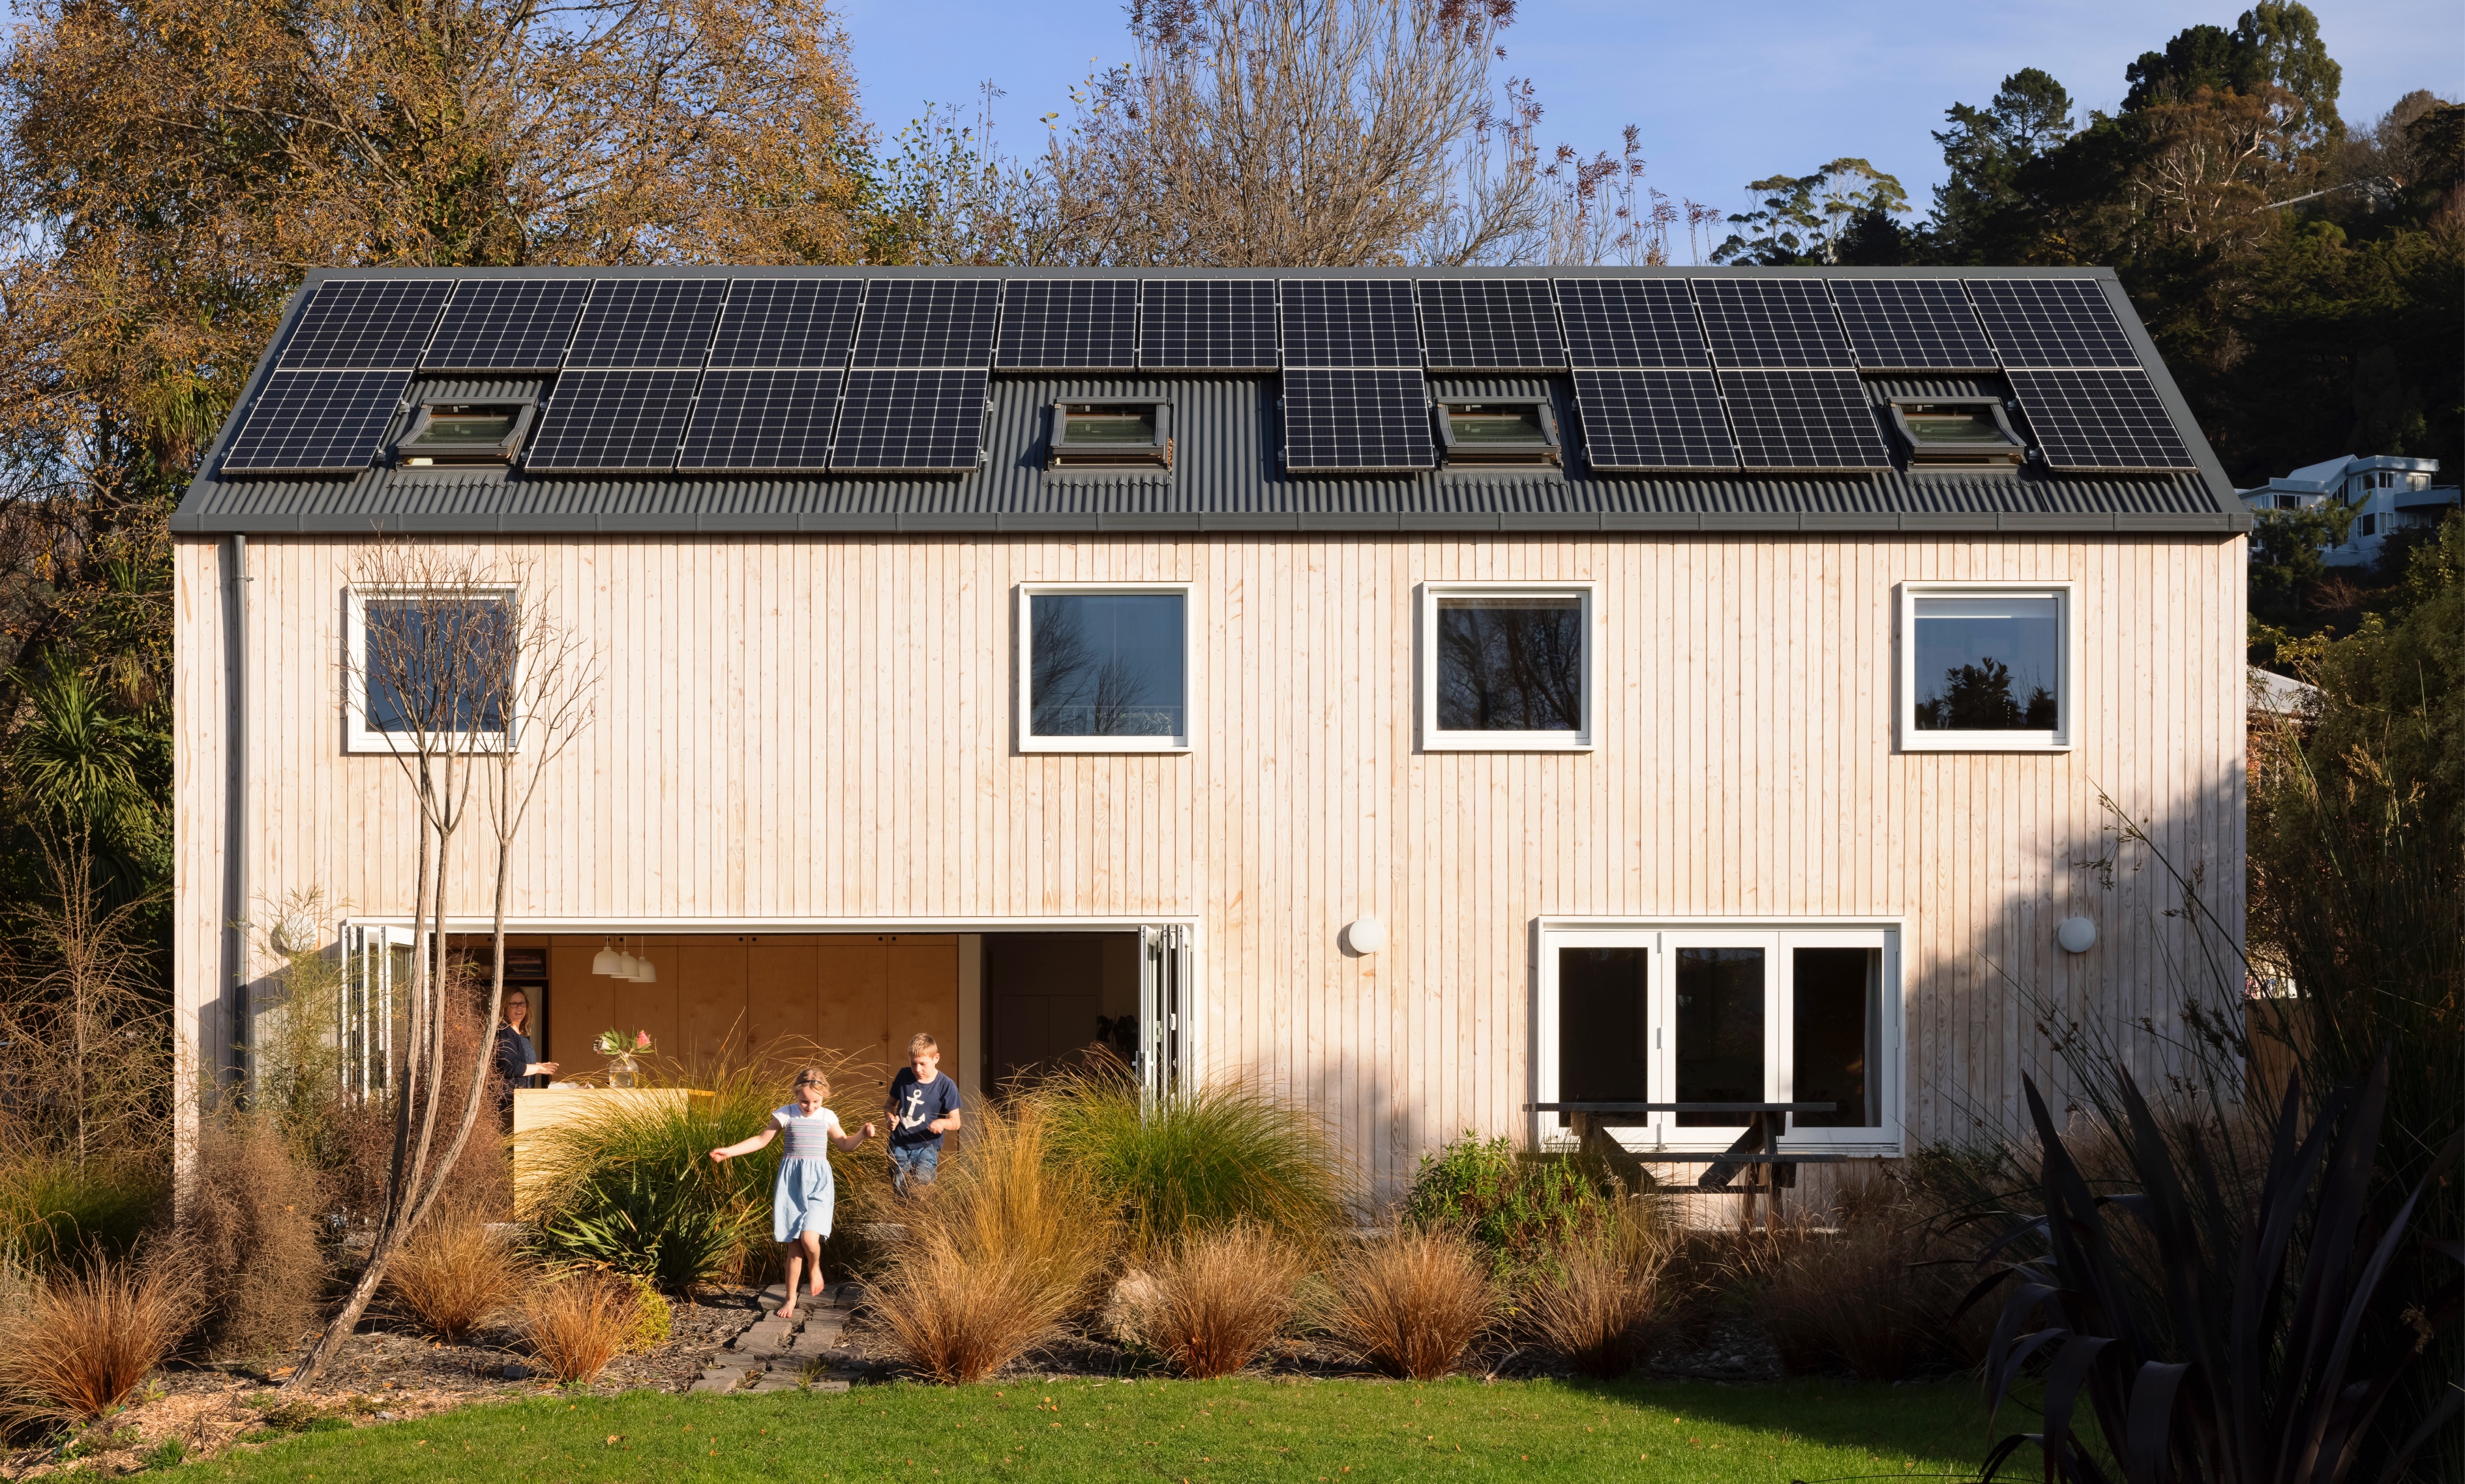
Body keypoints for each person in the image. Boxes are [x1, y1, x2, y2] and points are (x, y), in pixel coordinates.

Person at [709, 1069, 875, 1322]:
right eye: (804, 1101)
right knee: (795, 1248)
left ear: (824, 1098)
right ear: (796, 1095)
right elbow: (761, 1140)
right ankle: (790, 1297)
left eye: (816, 1102)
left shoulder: (827, 1117)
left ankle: (816, 1268)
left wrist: (862, 1134)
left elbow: (844, 1144)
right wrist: (729, 1152)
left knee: (810, 1239)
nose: (809, 1106)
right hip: (791, 1185)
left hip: (819, 1184)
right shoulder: (786, 1113)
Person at [883, 1033, 961, 1196]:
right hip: (899, 1144)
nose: (918, 1069)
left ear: (936, 1058)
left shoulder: (946, 1085)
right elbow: (889, 1104)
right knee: (900, 1190)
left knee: (922, 1186)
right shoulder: (904, 1076)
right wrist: (890, 1118)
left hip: (927, 1146)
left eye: (923, 1064)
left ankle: (922, 1220)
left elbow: (956, 1122)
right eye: (913, 1064)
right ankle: (903, 1219)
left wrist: (942, 1123)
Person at [492, 988, 558, 1123]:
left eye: (522, 1003)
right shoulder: (504, 1031)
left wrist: (540, 1065)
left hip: (522, 1104)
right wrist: (539, 1069)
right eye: (514, 1004)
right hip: (507, 1105)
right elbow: (510, 1067)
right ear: (504, 1007)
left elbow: (522, 1062)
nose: (519, 1007)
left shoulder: (522, 1033)